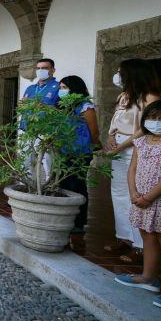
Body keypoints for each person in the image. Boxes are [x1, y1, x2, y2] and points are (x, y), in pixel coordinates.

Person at [105, 59, 161, 263]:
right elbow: (115, 121)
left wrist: (123, 144)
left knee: (135, 192)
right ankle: (124, 237)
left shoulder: (150, 97)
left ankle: (140, 245)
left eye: (121, 72)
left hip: (136, 148)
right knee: (118, 193)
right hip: (119, 148)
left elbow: (147, 126)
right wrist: (111, 138)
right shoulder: (124, 96)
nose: (118, 75)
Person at [114, 100, 161, 310]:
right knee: (147, 234)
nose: (158, 123)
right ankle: (148, 278)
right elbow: (132, 169)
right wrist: (134, 192)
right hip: (140, 197)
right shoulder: (143, 141)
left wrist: (150, 196)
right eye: (153, 118)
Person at [57, 76, 100, 233]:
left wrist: (90, 147)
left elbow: (94, 132)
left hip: (80, 153)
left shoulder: (85, 107)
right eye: (60, 87)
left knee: (77, 185)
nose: (61, 91)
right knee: (64, 183)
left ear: (74, 88)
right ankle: (66, 217)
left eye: (64, 87)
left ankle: (79, 222)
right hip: (63, 151)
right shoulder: (63, 106)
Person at [20, 58, 61, 181]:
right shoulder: (30, 88)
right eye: (38, 68)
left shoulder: (58, 87)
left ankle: (50, 187)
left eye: (44, 68)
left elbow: (61, 110)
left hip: (46, 131)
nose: (40, 71)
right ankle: (27, 186)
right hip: (28, 130)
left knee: (48, 162)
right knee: (26, 161)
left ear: (53, 70)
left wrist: (38, 104)